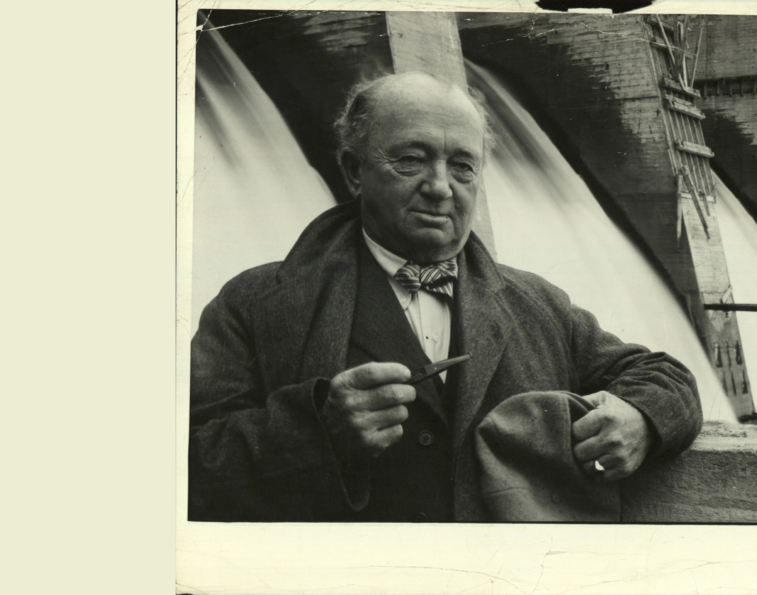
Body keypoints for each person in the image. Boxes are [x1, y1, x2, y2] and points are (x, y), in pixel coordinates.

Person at [188, 71, 703, 522]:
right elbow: (186, 467)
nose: (440, 187)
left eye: (463, 166)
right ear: (352, 170)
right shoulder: (253, 303)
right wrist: (317, 433)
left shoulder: (537, 303)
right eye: (412, 159)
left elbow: (666, 376)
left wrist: (641, 419)